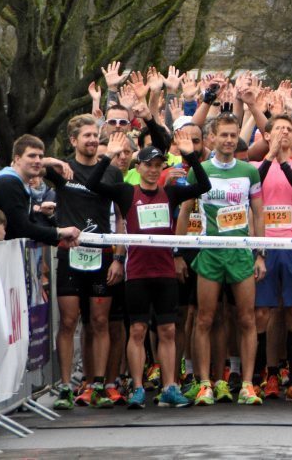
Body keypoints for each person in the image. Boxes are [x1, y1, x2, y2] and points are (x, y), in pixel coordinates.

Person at [87, 129, 211, 408]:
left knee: (168, 330)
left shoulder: (171, 192)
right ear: (138, 167)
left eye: (158, 166)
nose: (154, 171)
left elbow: (204, 185)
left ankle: (170, 386)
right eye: (148, 165)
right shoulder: (125, 192)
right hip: (138, 273)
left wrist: (190, 154)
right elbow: (93, 185)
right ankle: (139, 388)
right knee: (138, 331)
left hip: (165, 271)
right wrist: (107, 157)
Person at [179, 113, 265, 406]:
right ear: (212, 138)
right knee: (204, 318)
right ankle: (204, 383)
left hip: (240, 253)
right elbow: (184, 211)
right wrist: (178, 251)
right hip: (210, 253)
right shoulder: (198, 170)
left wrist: (260, 253)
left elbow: (258, 212)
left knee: (246, 318)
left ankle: (247, 384)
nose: (229, 140)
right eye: (224, 135)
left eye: (233, 135)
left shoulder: (249, 171)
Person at [43, 115, 125, 410]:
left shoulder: (112, 173)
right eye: (86, 136)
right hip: (70, 255)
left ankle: (99, 384)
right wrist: (55, 160)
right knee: (68, 321)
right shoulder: (64, 169)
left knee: (100, 321)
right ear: (74, 141)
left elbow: (121, 218)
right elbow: (30, 164)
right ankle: (66, 386)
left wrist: (119, 256)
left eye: (95, 135)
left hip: (101, 255)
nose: (92, 140)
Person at [252, 114, 292, 403]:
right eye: (278, 129)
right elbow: (255, 186)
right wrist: (270, 156)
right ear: (267, 135)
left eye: (289, 130)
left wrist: (284, 160)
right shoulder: (256, 166)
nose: (284, 134)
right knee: (262, 313)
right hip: (264, 245)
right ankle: (265, 375)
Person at [0, 135, 81, 246]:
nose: (38, 161)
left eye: (40, 157)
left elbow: (31, 225)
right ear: (17, 159)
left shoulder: (20, 182)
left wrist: (60, 239)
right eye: (32, 156)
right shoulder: (8, 182)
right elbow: (22, 228)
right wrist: (59, 232)